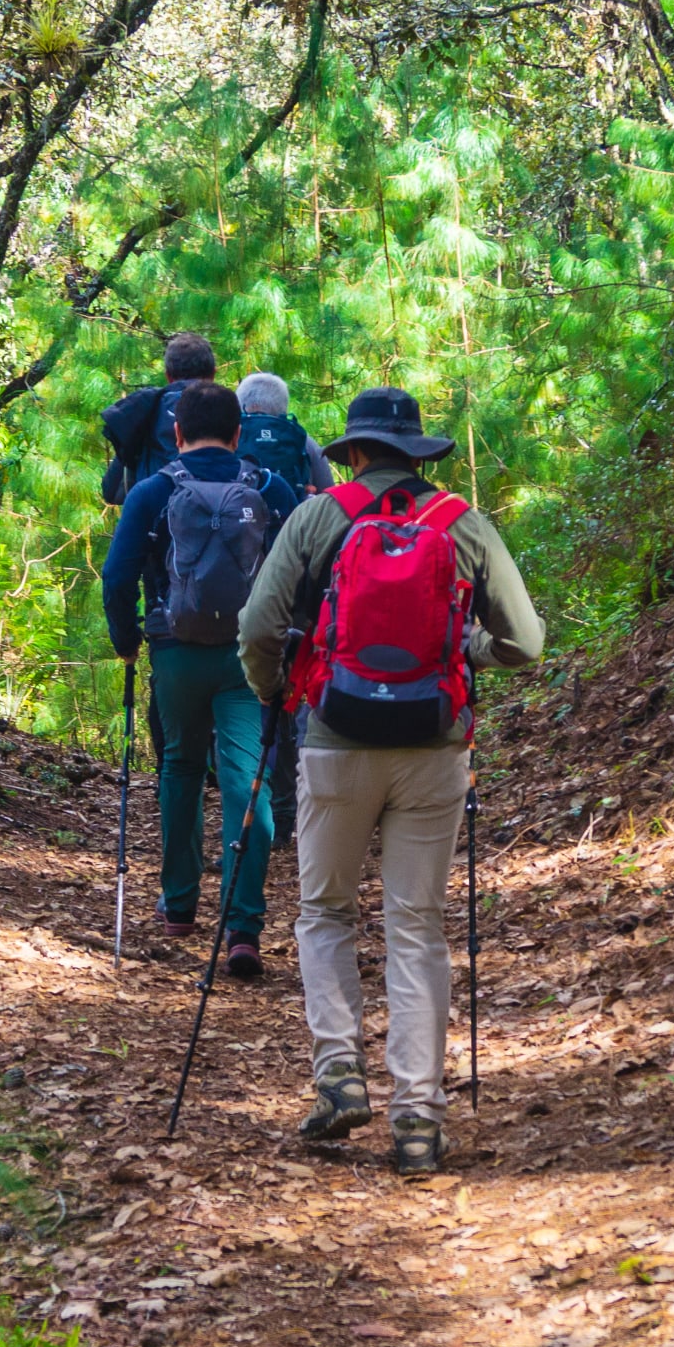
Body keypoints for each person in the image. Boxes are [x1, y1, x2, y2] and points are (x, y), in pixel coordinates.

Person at [238, 387, 543, 1174]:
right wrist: (462, 649)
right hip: (433, 747)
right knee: (417, 928)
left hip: (334, 739)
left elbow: (256, 626)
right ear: (419, 454)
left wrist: (275, 686)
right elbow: (527, 644)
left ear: (356, 453)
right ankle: (418, 1118)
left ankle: (338, 1074)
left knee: (324, 913)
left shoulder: (317, 517)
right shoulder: (461, 524)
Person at [102, 379, 303, 978]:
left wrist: (127, 640)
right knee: (249, 777)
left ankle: (181, 906)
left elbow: (118, 575)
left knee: (182, 766)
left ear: (177, 433)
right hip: (250, 655)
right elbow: (303, 569)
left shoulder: (152, 491)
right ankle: (243, 925)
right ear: (240, 434)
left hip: (175, 651)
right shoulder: (272, 487)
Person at [232, 372, 330, 847]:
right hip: (294, 588)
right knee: (290, 693)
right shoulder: (303, 442)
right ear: (283, 405)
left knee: (245, 698)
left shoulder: (230, 440)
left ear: (241, 405)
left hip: (238, 585)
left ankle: (251, 802)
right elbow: (328, 502)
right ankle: (287, 812)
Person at [99, 333, 218, 506]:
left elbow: (112, 491)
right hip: (220, 523)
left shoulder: (146, 410)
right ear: (213, 374)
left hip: (157, 523)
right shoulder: (229, 408)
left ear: (168, 376)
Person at [234, 372, 336, 493]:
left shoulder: (230, 436)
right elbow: (328, 492)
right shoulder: (303, 440)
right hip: (294, 511)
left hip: (239, 509)